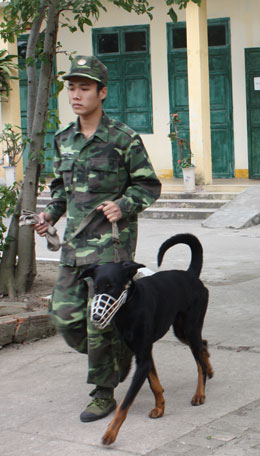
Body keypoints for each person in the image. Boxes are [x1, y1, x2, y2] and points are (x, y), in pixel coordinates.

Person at [34, 56, 161, 422]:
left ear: (102, 93)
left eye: (84, 88)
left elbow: (148, 185)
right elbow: (62, 191)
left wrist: (124, 204)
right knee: (64, 317)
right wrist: (49, 215)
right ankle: (122, 354)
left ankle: (103, 393)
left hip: (110, 249)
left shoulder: (123, 138)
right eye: (72, 87)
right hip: (75, 246)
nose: (76, 94)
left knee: (97, 321)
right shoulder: (63, 140)